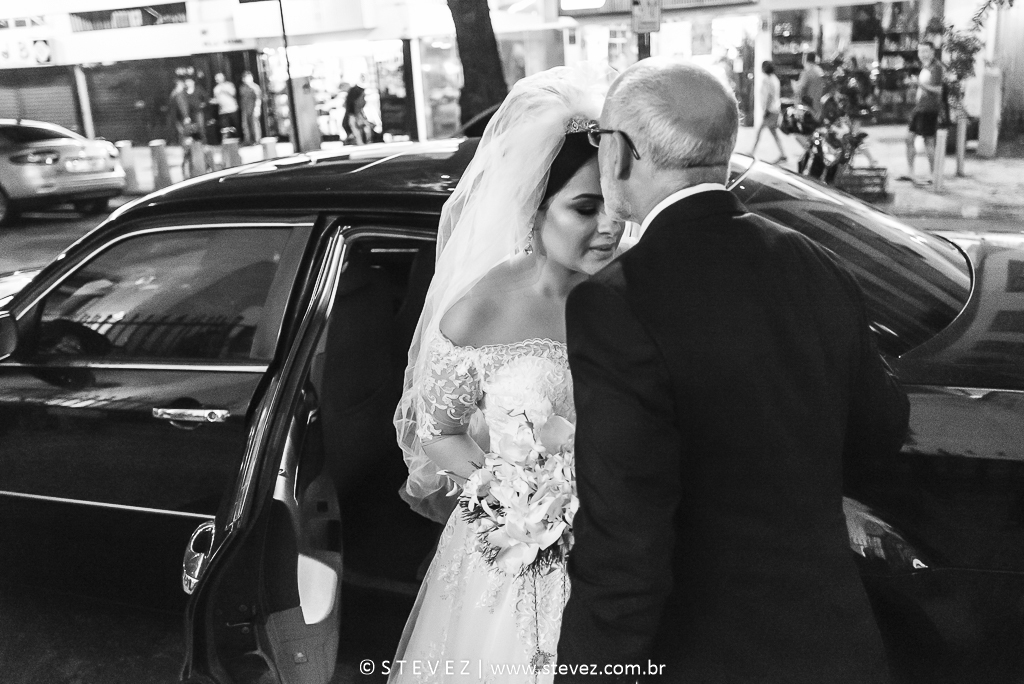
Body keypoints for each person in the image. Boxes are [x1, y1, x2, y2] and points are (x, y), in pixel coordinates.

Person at [556, 58, 909, 683]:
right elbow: (880, 428)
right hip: (834, 640)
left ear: (623, 153)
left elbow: (625, 537)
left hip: (706, 648)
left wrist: (590, 670)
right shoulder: (816, 264)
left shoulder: (618, 302)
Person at [391, 66, 622, 683]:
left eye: (615, 205)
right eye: (586, 208)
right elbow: (438, 431)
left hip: (622, 554)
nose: (609, 226)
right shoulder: (481, 308)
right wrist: (508, 498)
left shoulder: (634, 295)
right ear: (534, 210)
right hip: (516, 559)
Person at [899, 41, 945, 184]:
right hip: (920, 108)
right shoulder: (926, 67)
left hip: (929, 109)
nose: (922, 54)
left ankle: (934, 174)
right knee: (909, 139)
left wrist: (918, 83)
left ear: (932, 52)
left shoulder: (936, 67)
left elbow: (938, 90)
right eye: (920, 51)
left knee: (928, 141)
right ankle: (911, 172)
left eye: (926, 51)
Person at [751, 61, 786, 164]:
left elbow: (768, 96)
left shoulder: (766, 80)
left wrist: (765, 110)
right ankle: (783, 154)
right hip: (775, 109)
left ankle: (752, 152)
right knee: (773, 132)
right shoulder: (775, 79)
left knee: (760, 131)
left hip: (770, 110)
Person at [793, 51, 826, 121]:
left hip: (810, 108)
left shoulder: (807, 72)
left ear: (805, 59)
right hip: (820, 106)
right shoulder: (820, 71)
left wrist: (794, 86)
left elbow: (800, 89)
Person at [213, 72, 240, 140]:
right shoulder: (216, 88)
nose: (217, 80)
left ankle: (238, 139)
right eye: (216, 78)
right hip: (223, 111)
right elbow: (217, 99)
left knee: (235, 126)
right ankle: (227, 141)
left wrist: (225, 90)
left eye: (219, 78)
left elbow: (233, 94)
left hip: (232, 109)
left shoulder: (229, 85)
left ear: (223, 78)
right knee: (225, 128)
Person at [239, 71, 262, 146]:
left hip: (253, 108)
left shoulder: (255, 87)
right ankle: (248, 140)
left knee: (254, 124)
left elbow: (258, 99)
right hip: (245, 109)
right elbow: (242, 99)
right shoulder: (242, 88)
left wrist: (257, 108)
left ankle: (257, 140)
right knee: (246, 125)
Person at [169, 78, 191, 146]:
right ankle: (184, 146)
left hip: (176, 116)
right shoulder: (178, 94)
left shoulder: (174, 93)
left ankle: (182, 145)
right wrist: (185, 116)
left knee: (180, 131)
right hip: (180, 116)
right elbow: (181, 106)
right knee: (183, 131)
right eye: (182, 84)